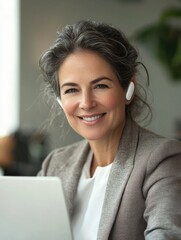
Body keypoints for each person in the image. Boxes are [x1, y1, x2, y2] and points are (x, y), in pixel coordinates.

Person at [38, 20, 181, 240]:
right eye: (71, 90)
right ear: (60, 100)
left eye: (100, 86)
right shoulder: (55, 164)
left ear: (128, 88)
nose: (86, 103)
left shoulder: (161, 159)